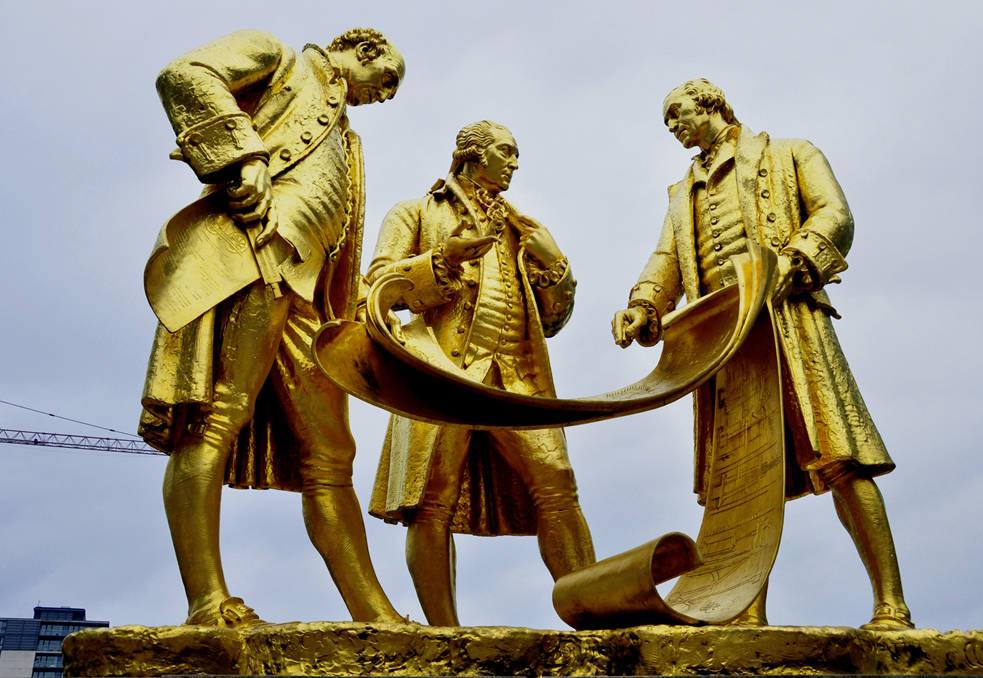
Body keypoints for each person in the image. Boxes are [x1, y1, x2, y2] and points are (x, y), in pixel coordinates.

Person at [611, 79, 912, 630]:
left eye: (677, 113)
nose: (672, 126)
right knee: (739, 481)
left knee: (842, 458)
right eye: (666, 121)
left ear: (711, 103)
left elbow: (834, 214)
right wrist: (643, 304)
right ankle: (743, 611)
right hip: (723, 345)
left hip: (788, 322)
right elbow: (666, 259)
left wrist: (792, 263)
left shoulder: (789, 153)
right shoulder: (681, 193)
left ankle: (890, 602)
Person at [138, 28, 407, 628]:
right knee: (217, 417)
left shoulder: (349, 138)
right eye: (387, 80)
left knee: (333, 453)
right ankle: (207, 602)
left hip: (309, 295)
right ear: (364, 50)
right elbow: (184, 75)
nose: (384, 95)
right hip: (254, 256)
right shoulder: (281, 59)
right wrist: (243, 158)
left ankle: (376, 617)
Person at [366, 121, 596, 626]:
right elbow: (377, 288)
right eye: (506, 151)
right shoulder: (415, 212)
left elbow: (552, 321)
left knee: (558, 483)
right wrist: (440, 260)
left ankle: (592, 616)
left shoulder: (520, 227)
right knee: (432, 500)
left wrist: (555, 265)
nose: (515, 162)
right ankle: (444, 632)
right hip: (442, 371)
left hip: (516, 375)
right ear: (474, 154)